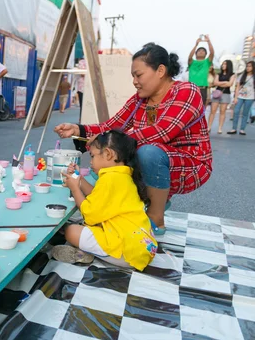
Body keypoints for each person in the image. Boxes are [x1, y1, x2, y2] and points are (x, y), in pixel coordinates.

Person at [55, 43, 212, 235]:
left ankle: (155, 218)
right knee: (108, 156)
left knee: (142, 152)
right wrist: (78, 128)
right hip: (159, 158)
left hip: (190, 164)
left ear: (160, 70)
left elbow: (163, 131)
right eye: (133, 77)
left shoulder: (187, 91)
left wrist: (109, 138)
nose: (135, 82)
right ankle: (123, 207)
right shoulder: (139, 100)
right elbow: (112, 126)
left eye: (139, 75)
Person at [53, 130, 157, 270]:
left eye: (93, 156)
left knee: (71, 231)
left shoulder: (110, 179)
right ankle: (89, 253)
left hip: (125, 254)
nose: (90, 162)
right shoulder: (122, 176)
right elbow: (97, 197)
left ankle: (87, 254)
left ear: (108, 154)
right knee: (85, 227)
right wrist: (79, 178)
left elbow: (89, 215)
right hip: (141, 248)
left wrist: (75, 189)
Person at [228, 61, 255, 135]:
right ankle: (234, 128)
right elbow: (237, 87)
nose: (248, 68)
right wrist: (235, 97)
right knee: (236, 111)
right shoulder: (242, 76)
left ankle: (242, 129)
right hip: (240, 96)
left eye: (250, 66)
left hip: (250, 97)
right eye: (247, 66)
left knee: (245, 113)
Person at [188, 35, 214, 108]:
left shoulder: (207, 62)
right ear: (195, 54)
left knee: (200, 109)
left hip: (202, 89)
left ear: (206, 54)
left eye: (203, 51)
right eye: (199, 51)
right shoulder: (192, 62)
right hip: (191, 89)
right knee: (190, 109)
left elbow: (212, 53)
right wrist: (196, 45)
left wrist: (208, 41)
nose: (201, 52)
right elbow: (190, 56)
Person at [209, 60, 235, 134]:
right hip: (217, 93)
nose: (223, 65)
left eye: (225, 64)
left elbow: (230, 84)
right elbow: (215, 83)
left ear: (229, 65)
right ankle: (209, 127)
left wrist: (221, 83)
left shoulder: (232, 74)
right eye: (223, 64)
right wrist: (225, 82)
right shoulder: (218, 74)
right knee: (212, 111)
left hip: (226, 93)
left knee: (222, 111)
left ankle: (220, 128)